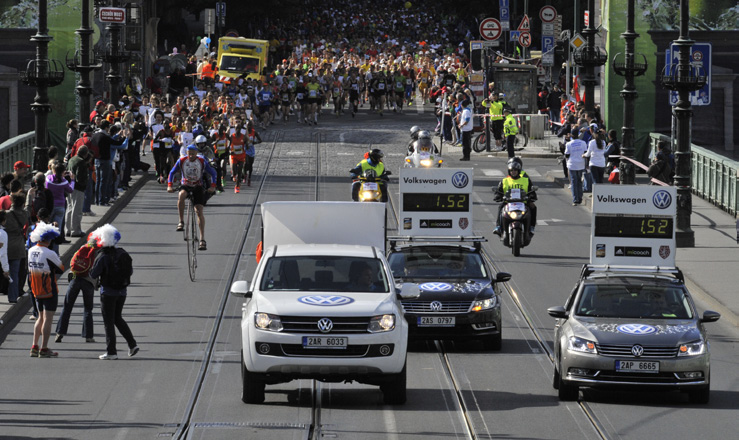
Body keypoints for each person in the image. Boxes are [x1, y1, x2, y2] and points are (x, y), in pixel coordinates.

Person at [88, 224, 138, 360]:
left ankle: (111, 352)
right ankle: (132, 344)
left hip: (108, 293)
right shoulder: (122, 253)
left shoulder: (102, 256)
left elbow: (93, 274)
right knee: (117, 318)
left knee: (108, 322)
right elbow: (130, 271)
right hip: (122, 292)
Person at [167, 145, 217, 251]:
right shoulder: (181, 160)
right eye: (189, 153)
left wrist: (212, 186)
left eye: (193, 154)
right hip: (186, 184)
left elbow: (213, 173)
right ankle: (181, 221)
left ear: (196, 153)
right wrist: (169, 185)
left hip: (197, 186)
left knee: (199, 211)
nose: (191, 155)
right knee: (181, 195)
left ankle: (202, 239)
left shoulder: (202, 161)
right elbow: (172, 173)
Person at [27, 222, 64, 358]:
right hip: (49, 288)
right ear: (48, 239)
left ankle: (34, 346)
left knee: (40, 317)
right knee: (48, 319)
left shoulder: (31, 250)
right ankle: (44, 348)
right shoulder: (50, 252)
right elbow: (61, 268)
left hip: (36, 288)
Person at [55, 239, 98, 343]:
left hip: (75, 279)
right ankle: (88, 336)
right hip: (88, 282)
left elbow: (73, 264)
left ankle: (60, 333)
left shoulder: (81, 248)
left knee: (67, 306)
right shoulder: (97, 252)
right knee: (88, 309)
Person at [492, 157, 537, 236]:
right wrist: (498, 196)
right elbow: (499, 192)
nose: (513, 172)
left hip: (523, 203)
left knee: (533, 207)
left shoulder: (526, 180)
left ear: (518, 171)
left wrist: (531, 196)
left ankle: (531, 227)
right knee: (500, 207)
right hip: (508, 203)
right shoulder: (504, 181)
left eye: (515, 170)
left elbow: (531, 191)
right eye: (511, 170)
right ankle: (498, 227)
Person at [6, 194, 29, 305]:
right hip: (19, 246)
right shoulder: (25, 214)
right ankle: (13, 297)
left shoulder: (6, 214)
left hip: (5, 246)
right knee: (14, 273)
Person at [65, 146, 91, 237]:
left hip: (69, 186)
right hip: (78, 188)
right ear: (86, 154)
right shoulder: (81, 162)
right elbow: (80, 177)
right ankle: (75, 230)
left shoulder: (72, 159)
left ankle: (68, 229)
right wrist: (84, 184)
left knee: (70, 208)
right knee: (77, 210)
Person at [565, 127, 588, 206]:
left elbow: (567, 155)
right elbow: (585, 153)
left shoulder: (569, 144)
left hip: (572, 164)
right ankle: (580, 197)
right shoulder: (583, 143)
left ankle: (575, 199)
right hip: (581, 164)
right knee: (579, 181)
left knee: (574, 182)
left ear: (571, 135)